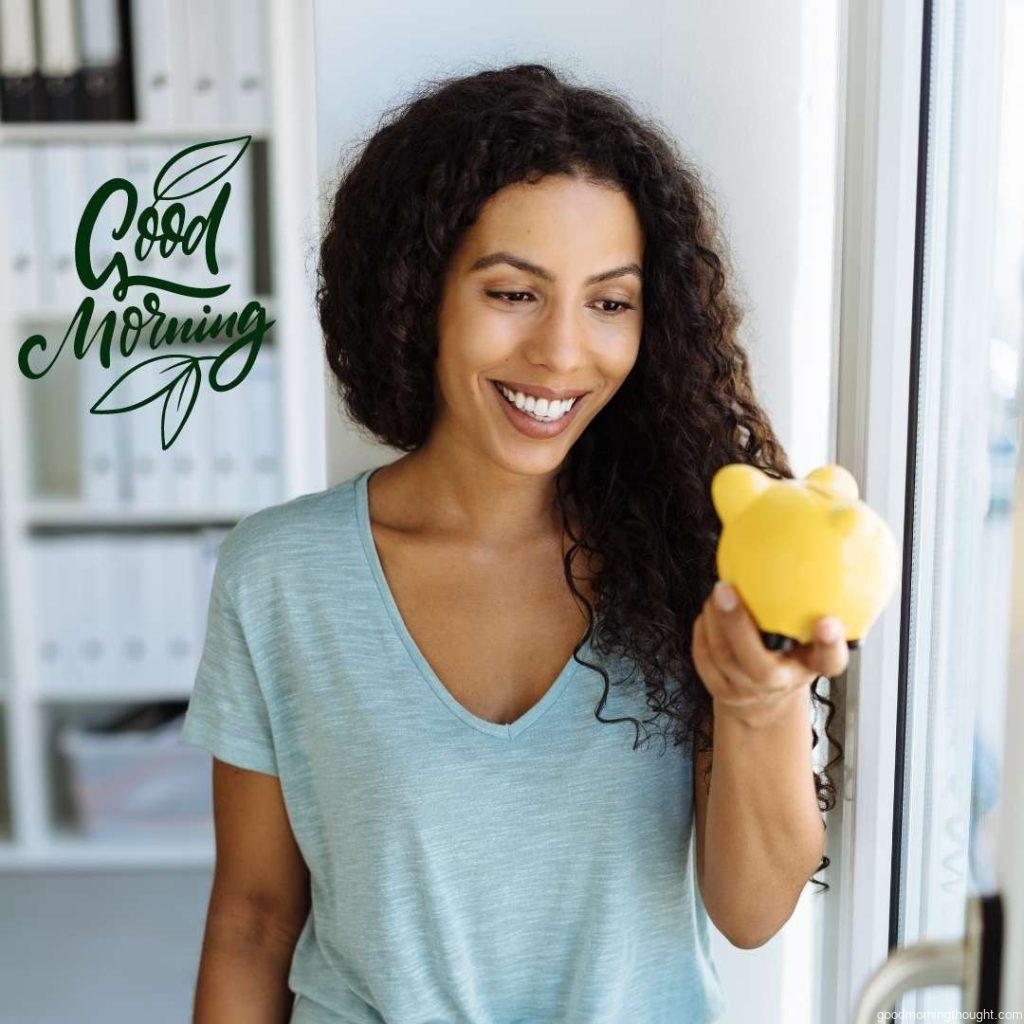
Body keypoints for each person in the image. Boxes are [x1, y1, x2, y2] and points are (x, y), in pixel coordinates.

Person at [180, 62, 849, 1024]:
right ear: (419, 295)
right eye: (513, 292)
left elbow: (752, 915)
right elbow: (251, 920)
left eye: (610, 303)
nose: (562, 354)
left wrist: (760, 704)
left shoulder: (703, 564)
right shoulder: (280, 577)